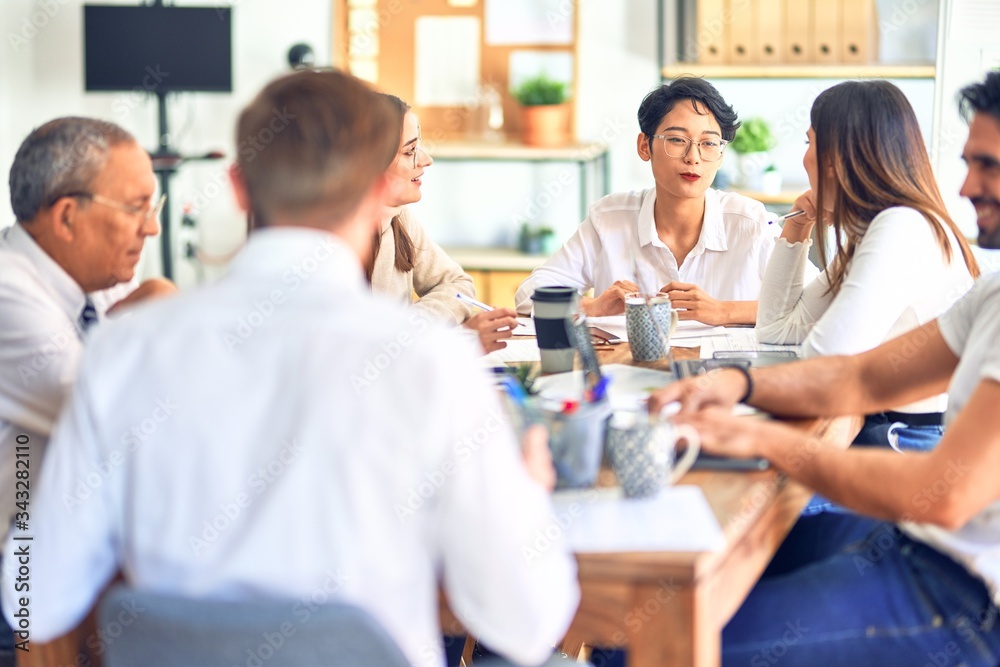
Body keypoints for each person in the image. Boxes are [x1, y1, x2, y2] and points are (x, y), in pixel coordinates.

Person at [1, 70, 579, 667]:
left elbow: (34, 600)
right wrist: (525, 498)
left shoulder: (124, 352)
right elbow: (526, 622)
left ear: (238, 187)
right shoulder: (431, 361)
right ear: (376, 189)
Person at [644, 71, 1000, 667]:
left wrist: (760, 435)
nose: (966, 186)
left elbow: (948, 495)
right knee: (694, 586)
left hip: (961, 589)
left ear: (842, 152)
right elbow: (843, 370)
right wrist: (739, 383)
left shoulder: (903, 227)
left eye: (987, 164)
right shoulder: (971, 282)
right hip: (922, 542)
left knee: (669, 640)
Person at [0, 117, 175, 663]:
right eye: (136, 207)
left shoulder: (93, 285)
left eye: (156, 206)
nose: (152, 229)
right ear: (68, 216)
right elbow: (130, 424)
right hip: (20, 581)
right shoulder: (8, 292)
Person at [755, 80, 979, 453]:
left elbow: (825, 362)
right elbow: (777, 329)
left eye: (810, 143)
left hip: (905, 441)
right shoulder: (874, 230)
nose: (804, 157)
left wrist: (738, 387)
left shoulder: (901, 227)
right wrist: (797, 225)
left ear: (835, 159)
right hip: (883, 430)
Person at [515, 77, 803, 324]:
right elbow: (530, 295)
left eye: (709, 143)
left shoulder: (750, 222)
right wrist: (593, 307)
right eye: (677, 140)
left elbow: (809, 305)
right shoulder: (610, 218)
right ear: (644, 146)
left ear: (721, 154)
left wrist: (723, 311)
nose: (693, 157)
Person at [370, 95, 518, 353]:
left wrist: (414, 326)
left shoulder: (400, 219)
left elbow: (458, 284)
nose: (426, 160)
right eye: (409, 151)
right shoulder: (340, 243)